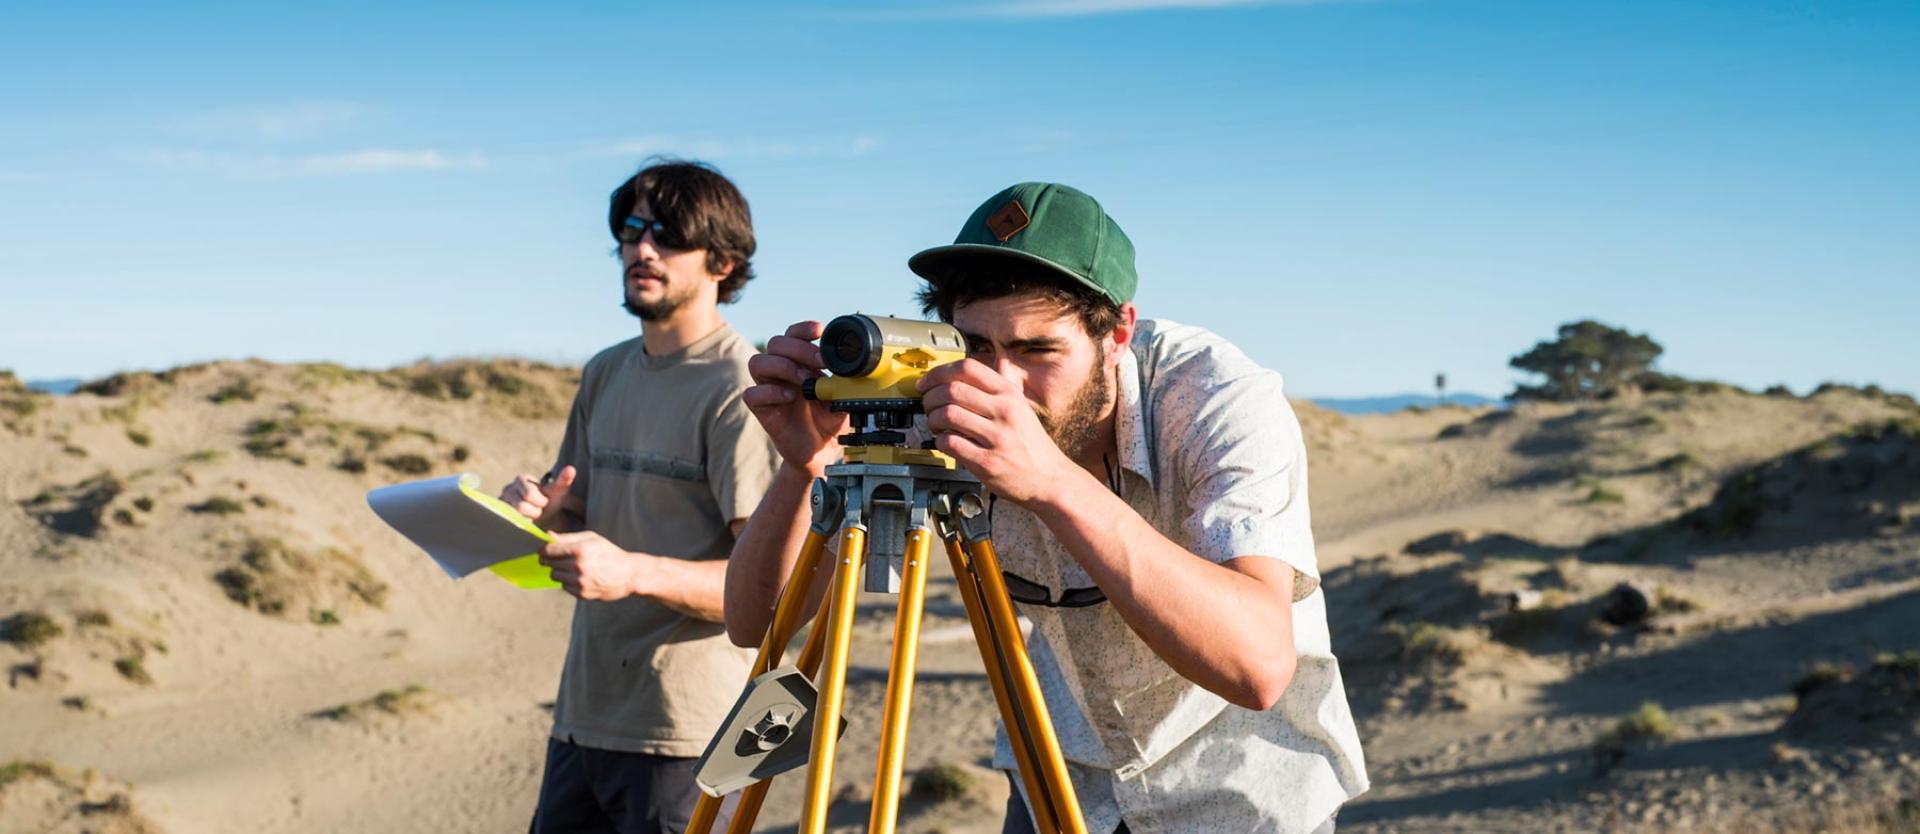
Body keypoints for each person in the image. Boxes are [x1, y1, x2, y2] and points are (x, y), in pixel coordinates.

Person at [725, 183, 1368, 834]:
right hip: (1055, 785)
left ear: (1118, 332)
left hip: (1237, 793)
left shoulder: (1214, 398)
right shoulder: (940, 396)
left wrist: (1052, 481)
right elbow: (754, 624)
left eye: (1038, 351)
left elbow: (1257, 667)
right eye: (975, 347)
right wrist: (803, 468)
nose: (1001, 385)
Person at [500, 159, 778, 834]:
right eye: (631, 229)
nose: (642, 248)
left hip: (691, 735)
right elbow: (586, 516)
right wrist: (545, 512)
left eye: (668, 234)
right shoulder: (606, 371)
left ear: (722, 261)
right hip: (585, 716)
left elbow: (768, 593)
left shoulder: (743, 388)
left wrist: (628, 573)